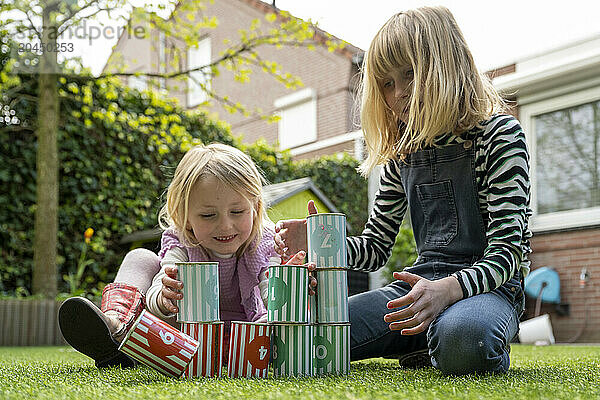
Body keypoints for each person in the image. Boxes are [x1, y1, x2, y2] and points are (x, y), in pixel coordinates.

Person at [274, 6, 531, 375]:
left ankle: (445, 335)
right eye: (388, 83)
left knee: (465, 338)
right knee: (313, 330)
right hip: (416, 291)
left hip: (485, 291)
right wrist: (318, 245)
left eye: (410, 74)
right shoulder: (402, 153)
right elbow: (375, 248)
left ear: (447, 64)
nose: (399, 94)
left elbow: (508, 253)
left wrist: (448, 290)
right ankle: (427, 335)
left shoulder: (499, 137)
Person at [59, 143, 312, 368]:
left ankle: (133, 349)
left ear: (255, 209)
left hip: (244, 338)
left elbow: (272, 296)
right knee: (140, 257)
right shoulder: (182, 242)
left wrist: (288, 285)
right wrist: (164, 299)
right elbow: (161, 285)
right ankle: (114, 325)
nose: (226, 226)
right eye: (208, 215)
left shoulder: (267, 243)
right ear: (186, 218)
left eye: (237, 211)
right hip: (184, 338)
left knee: (277, 324)